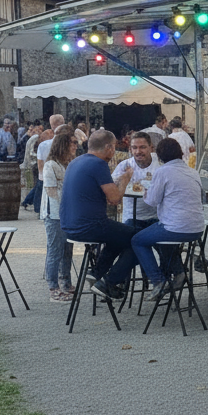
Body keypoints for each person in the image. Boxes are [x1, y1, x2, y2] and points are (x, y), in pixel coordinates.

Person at [59, 129, 137, 301]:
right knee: (140, 239)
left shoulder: (76, 162)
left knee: (121, 235)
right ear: (109, 147)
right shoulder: (98, 164)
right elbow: (115, 199)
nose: (115, 151)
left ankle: (96, 272)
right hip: (90, 226)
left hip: (69, 226)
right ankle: (109, 282)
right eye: (114, 147)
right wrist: (124, 180)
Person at [131, 137, 205, 298]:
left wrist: (146, 191)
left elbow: (152, 201)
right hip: (197, 228)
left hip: (175, 228)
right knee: (161, 237)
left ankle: (158, 280)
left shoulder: (163, 172)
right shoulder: (193, 172)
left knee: (137, 240)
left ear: (160, 156)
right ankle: (176, 271)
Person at [41, 129, 79, 302]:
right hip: (55, 213)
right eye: (73, 143)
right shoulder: (51, 165)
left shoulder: (69, 163)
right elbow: (51, 191)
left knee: (67, 249)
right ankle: (53, 287)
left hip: (67, 213)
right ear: (64, 145)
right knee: (55, 250)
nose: (76, 146)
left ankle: (66, 282)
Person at [112, 132, 161, 228]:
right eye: (134, 148)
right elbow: (112, 189)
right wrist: (124, 178)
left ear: (151, 148)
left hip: (157, 217)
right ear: (130, 149)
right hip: (132, 217)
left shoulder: (160, 163)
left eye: (142, 147)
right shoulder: (125, 166)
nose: (138, 151)